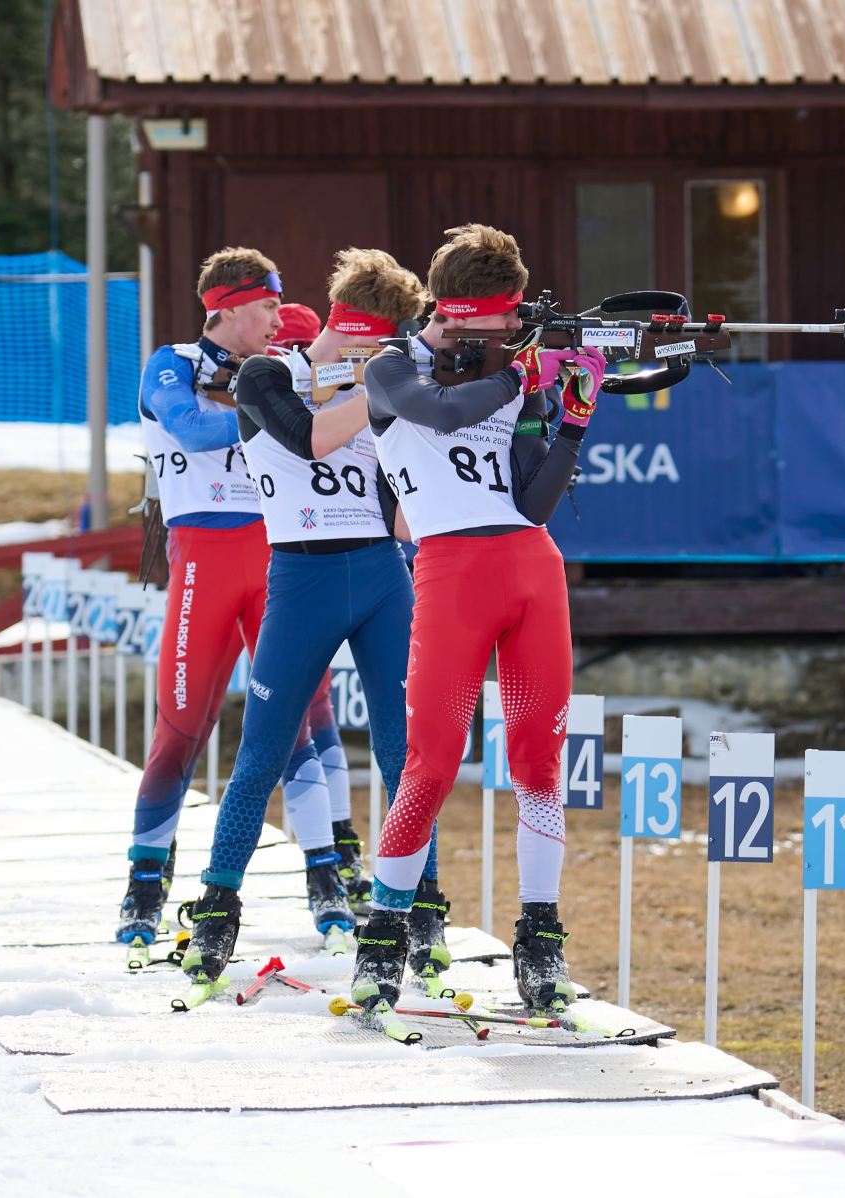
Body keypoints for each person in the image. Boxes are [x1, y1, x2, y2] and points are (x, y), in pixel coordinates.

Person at [349, 224, 606, 1019]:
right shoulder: (391, 367)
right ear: (459, 314)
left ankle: (541, 940)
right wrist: (523, 371)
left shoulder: (507, 372)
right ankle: (383, 939)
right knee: (430, 764)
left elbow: (534, 500)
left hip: (531, 569)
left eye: (517, 318)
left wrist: (570, 420)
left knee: (538, 764)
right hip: (452, 573)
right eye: (503, 317)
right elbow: (442, 412)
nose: (513, 328)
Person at [178, 248, 432, 985]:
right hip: (300, 578)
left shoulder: (379, 378)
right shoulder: (267, 374)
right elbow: (311, 439)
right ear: (360, 329)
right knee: (260, 756)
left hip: (380, 575)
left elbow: (403, 506)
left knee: (405, 752)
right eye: (383, 340)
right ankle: (217, 912)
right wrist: (389, 381)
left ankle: (421, 913)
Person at [116, 250, 351, 962]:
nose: (279, 320)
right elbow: (189, 429)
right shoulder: (175, 361)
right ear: (230, 307)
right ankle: (145, 883)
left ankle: (327, 879)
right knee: (179, 728)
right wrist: (270, 407)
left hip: (276, 562)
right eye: (269, 307)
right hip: (203, 563)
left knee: (295, 727)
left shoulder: (283, 367)